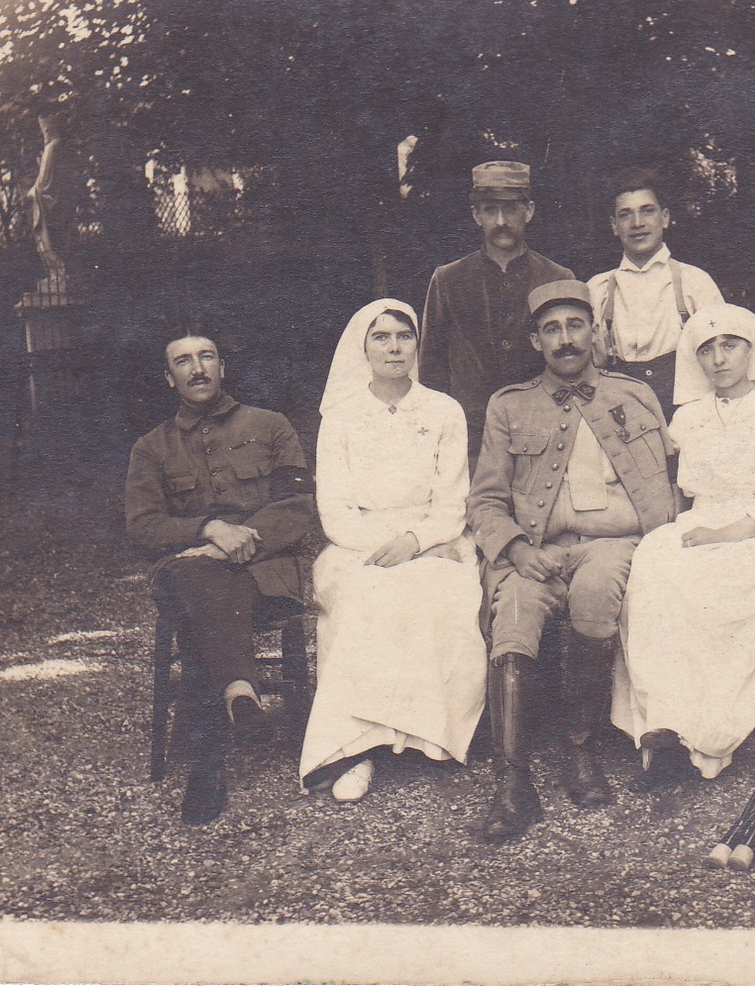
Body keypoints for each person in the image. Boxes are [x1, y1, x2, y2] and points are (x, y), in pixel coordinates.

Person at [467, 279, 676, 841]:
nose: (565, 340)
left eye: (575, 326)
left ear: (595, 332)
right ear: (536, 341)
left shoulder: (633, 396)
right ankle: (512, 783)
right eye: (552, 330)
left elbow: (675, 482)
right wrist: (513, 548)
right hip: (535, 552)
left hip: (614, 546)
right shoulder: (509, 406)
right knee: (511, 611)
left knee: (598, 588)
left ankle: (579, 752)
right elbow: (485, 498)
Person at [612, 304, 755, 788]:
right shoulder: (688, 419)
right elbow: (665, 483)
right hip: (698, 526)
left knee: (708, 596)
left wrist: (725, 534)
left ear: (752, 348)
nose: (719, 359)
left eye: (730, 345)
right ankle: (660, 730)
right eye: (706, 350)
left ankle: (708, 738)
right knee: (652, 574)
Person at [125, 325, 318, 825]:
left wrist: (240, 540)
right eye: (183, 362)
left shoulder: (271, 426)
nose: (197, 368)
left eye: (206, 357)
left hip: (267, 574)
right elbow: (143, 527)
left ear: (222, 367)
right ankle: (238, 694)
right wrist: (208, 529)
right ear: (169, 379)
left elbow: (299, 506)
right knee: (203, 584)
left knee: (204, 598)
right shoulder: (151, 448)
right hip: (192, 574)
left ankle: (208, 763)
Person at [297, 299, 487, 803]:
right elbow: (334, 509)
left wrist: (416, 543)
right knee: (363, 596)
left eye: (404, 335)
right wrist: (385, 546)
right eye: (381, 337)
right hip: (358, 543)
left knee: (441, 590)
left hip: (432, 539)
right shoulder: (340, 417)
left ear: (416, 344)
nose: (394, 346)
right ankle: (358, 746)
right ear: (363, 348)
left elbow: (454, 500)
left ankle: (426, 735)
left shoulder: (443, 410)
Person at [420, 161, 575, 464]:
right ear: (476, 215)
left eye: (511, 209)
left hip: (542, 431)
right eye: (490, 210)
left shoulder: (558, 278)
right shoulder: (448, 279)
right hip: (469, 438)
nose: (501, 221)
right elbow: (431, 370)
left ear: (528, 211)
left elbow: (570, 362)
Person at [586, 167, 725, 418]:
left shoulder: (694, 283)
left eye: (647, 211)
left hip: (689, 417)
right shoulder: (598, 289)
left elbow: (723, 359)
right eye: (625, 214)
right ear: (614, 226)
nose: (637, 223)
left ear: (665, 218)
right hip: (621, 418)